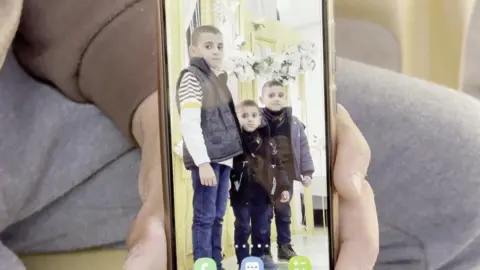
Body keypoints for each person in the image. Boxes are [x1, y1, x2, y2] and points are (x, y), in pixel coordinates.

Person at [175, 25, 243, 268]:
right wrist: (203, 163)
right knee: (204, 218)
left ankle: (216, 263)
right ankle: (205, 265)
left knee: (217, 217)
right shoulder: (191, 77)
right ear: (194, 49)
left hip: (223, 158)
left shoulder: (214, 78)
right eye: (208, 46)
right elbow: (190, 124)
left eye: (220, 46)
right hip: (209, 160)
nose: (216, 51)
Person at [230, 99, 291, 269]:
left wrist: (284, 187)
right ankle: (243, 259)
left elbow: (279, 166)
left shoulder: (268, 143)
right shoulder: (234, 142)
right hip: (240, 195)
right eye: (244, 116)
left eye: (254, 115)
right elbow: (227, 166)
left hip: (263, 194)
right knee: (242, 227)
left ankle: (261, 257)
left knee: (262, 228)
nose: (250, 119)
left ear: (260, 119)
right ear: (237, 118)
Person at [259, 80, 315, 260]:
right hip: (263, 177)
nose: (277, 99)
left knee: (283, 212)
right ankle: (264, 250)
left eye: (281, 95)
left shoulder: (294, 123)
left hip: (286, 176)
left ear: (286, 97)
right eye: (271, 95)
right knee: (263, 214)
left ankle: (285, 246)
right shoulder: (256, 120)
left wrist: (307, 172)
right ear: (262, 98)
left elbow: (303, 148)